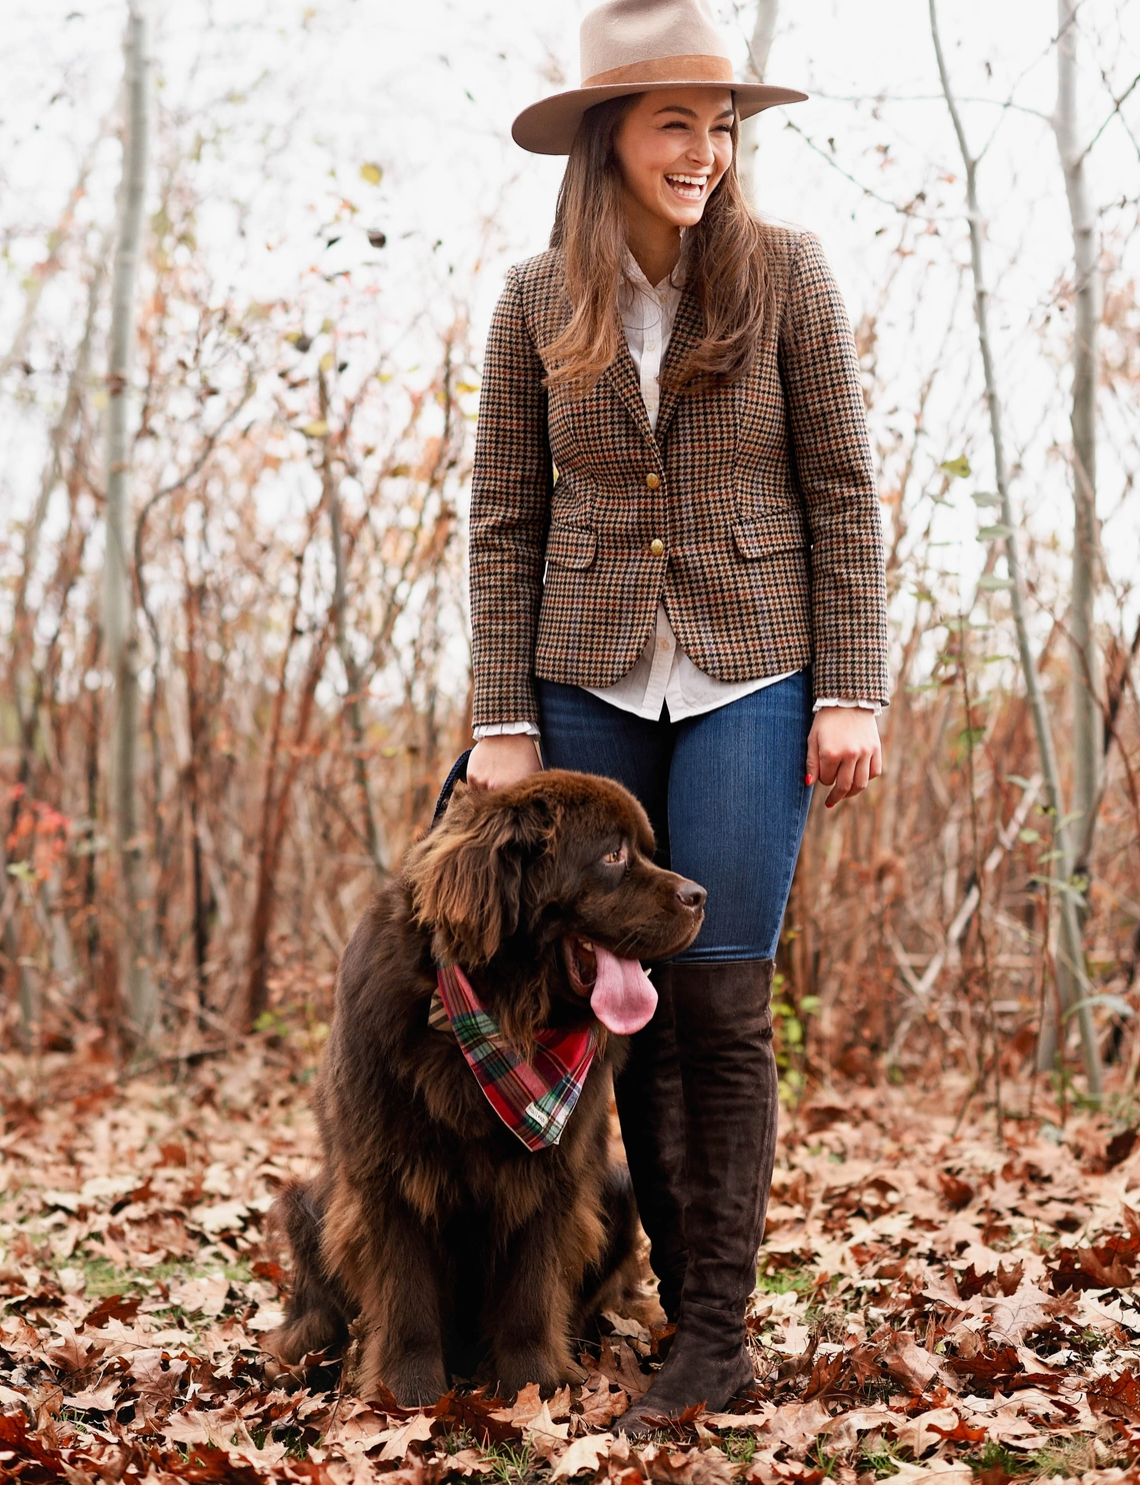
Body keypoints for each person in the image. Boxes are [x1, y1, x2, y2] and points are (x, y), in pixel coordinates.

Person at [465, 0, 888, 1431]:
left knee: (717, 997)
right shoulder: (535, 300)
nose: (705, 152)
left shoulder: (787, 280)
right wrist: (499, 718)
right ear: (608, 138)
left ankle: (718, 1334)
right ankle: (662, 1305)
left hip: (753, 671)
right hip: (581, 676)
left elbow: (841, 490)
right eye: (674, 125)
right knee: (615, 1004)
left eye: (719, 127)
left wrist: (851, 690)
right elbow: (504, 518)